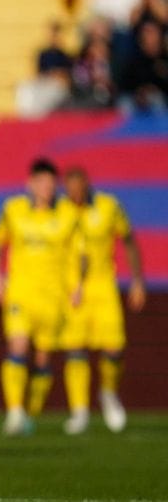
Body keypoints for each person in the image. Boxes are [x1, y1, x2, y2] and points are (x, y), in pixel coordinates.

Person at [0, 158, 81, 436]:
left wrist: (77, 285)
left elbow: (79, 253)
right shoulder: (13, 209)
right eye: (41, 183)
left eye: (51, 184)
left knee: (43, 359)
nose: (46, 189)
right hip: (21, 292)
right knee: (17, 347)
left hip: (54, 296)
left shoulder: (68, 213)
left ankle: (30, 412)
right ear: (30, 184)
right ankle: (14, 413)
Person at [60, 167, 146, 435]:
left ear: (87, 184)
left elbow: (128, 240)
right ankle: (79, 411)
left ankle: (108, 393)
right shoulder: (60, 211)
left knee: (114, 347)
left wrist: (137, 281)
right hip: (72, 290)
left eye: (78, 187)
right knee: (75, 349)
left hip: (104, 286)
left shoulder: (108, 206)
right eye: (70, 188)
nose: (74, 193)